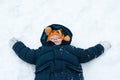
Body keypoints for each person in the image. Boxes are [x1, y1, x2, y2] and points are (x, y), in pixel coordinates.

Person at [10, 24, 111, 80]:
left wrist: (101, 46)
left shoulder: (71, 49)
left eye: (58, 37)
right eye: (52, 38)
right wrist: (16, 44)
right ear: (47, 40)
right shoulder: (41, 51)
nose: (55, 39)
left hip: (70, 77)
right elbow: (27, 54)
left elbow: (87, 54)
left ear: (64, 39)